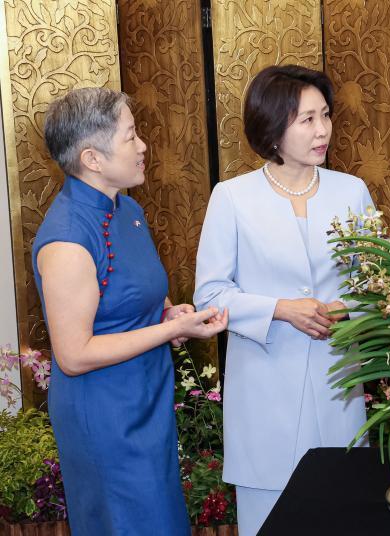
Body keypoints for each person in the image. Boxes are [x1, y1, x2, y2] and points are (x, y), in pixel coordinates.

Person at [33, 87, 228, 535]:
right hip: (104, 414)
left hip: (146, 399)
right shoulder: (66, 238)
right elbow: (74, 355)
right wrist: (169, 331)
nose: (143, 146)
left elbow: (134, 298)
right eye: (130, 136)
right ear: (92, 159)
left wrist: (167, 315)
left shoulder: (128, 208)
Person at [194, 65, 372, 534]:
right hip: (264, 397)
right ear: (273, 128)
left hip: (338, 388)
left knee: (344, 512)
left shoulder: (351, 192)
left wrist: (348, 308)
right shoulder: (231, 198)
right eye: (307, 120)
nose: (323, 130)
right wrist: (280, 308)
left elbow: (381, 287)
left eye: (325, 115)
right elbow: (210, 295)